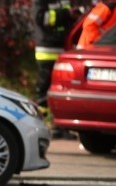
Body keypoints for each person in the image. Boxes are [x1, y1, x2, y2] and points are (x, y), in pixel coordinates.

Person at [32, 1, 79, 137]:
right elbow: (42, 18)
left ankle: (60, 126)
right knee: (43, 90)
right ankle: (37, 125)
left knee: (60, 90)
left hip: (63, 48)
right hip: (47, 49)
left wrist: (73, 15)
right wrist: (66, 14)